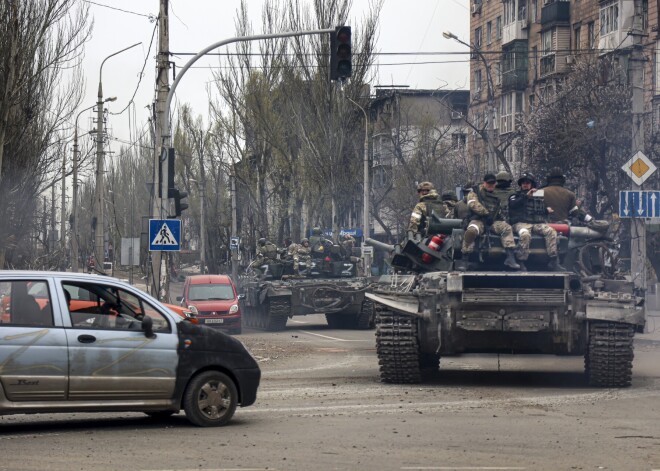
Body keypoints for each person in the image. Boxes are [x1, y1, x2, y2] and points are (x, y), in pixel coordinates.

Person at [459, 173, 520, 270]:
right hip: (478, 219)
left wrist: (501, 219)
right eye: (489, 183)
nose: (491, 186)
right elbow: (473, 204)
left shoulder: (496, 195)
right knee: (471, 231)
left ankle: (510, 257)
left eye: (493, 183)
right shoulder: (474, 192)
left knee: (506, 228)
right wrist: (486, 214)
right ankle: (465, 259)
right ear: (484, 183)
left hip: (492, 221)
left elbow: (499, 210)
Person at [509, 172, 564, 271]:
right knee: (525, 235)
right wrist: (526, 196)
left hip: (536, 224)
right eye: (523, 183)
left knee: (551, 232)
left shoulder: (538, 196)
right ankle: (521, 261)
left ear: (532, 185)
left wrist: (546, 211)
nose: (525, 185)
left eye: (527, 183)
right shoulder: (515, 196)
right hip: (521, 224)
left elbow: (536, 210)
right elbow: (513, 205)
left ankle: (554, 260)